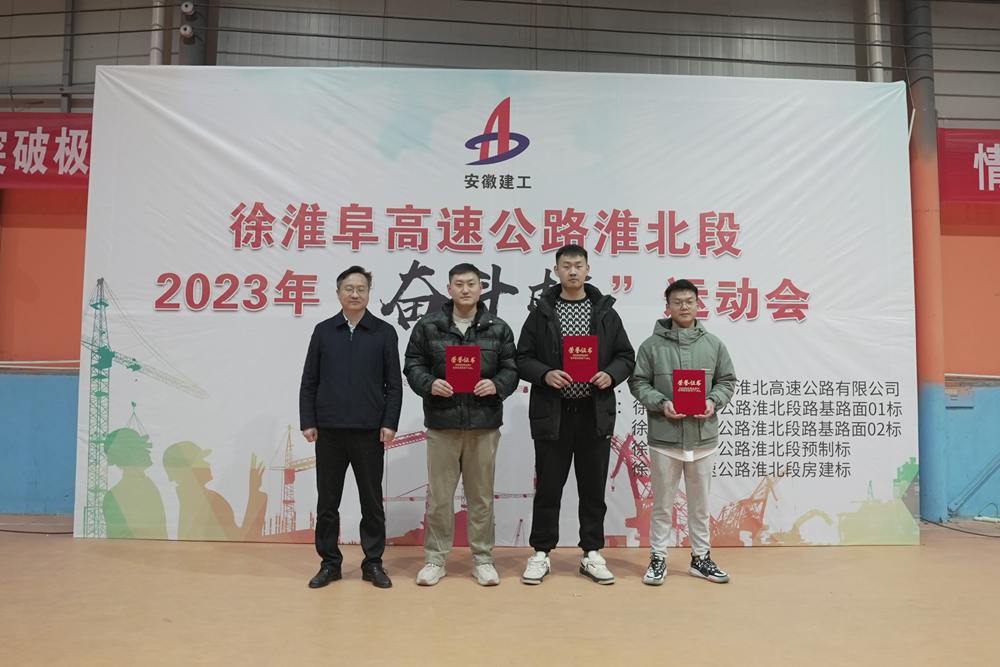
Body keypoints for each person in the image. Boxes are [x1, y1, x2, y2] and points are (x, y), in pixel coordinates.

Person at [515, 244, 635, 585]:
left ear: (587, 269)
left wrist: (610, 374)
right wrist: (544, 374)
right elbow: (522, 358)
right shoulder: (542, 312)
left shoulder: (605, 312)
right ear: (556, 271)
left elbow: (626, 356)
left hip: (593, 413)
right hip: (553, 413)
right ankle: (541, 552)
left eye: (578, 265)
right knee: (548, 488)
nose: (572, 271)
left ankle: (591, 553)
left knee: (593, 489)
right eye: (565, 265)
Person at [403, 263, 519, 586]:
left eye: (471, 284)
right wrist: (430, 384)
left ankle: (482, 559)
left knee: (481, 497)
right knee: (440, 498)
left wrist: (496, 384)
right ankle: (435, 559)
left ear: (481, 288)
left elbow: (511, 368)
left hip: (484, 424)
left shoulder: (498, 328)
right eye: (459, 284)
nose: (465, 289)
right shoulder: (429, 326)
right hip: (443, 424)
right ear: (449, 288)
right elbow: (413, 364)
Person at [299, 265, 403, 589]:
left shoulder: (384, 332)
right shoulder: (323, 331)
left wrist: (389, 422)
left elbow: (393, 385)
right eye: (349, 288)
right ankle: (330, 564)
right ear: (338, 293)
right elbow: (310, 380)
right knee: (327, 503)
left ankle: (373, 564)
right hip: (328, 431)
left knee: (371, 503)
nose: (355, 294)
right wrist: (308, 420)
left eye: (361, 288)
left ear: (369, 293)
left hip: (369, 431)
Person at [629, 278, 737, 586]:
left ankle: (701, 559)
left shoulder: (714, 344)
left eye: (689, 301)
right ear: (668, 307)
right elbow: (638, 382)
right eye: (677, 302)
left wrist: (713, 401)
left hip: (703, 438)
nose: (684, 306)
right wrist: (661, 403)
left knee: (700, 506)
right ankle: (658, 558)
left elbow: (727, 381)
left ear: (698, 304)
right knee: (662, 505)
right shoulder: (651, 346)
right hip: (665, 438)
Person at [162, 441, 267, 542]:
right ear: (187, 469)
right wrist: (254, 492)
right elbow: (241, 539)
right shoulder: (208, 501)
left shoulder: (189, 499)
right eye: (201, 460)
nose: (207, 463)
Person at [103, 427, 167, 540]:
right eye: (142, 447)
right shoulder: (117, 494)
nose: (148, 451)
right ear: (130, 454)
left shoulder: (148, 485)